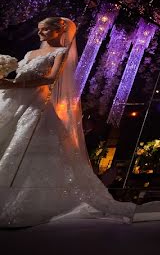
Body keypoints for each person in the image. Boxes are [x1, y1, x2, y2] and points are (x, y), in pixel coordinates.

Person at [0, 17, 136, 226]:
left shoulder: (60, 53)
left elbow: (50, 79)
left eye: (45, 30)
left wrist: (16, 83)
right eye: (39, 30)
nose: (40, 34)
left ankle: (25, 199)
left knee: (28, 145)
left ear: (58, 31)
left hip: (35, 101)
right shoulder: (29, 53)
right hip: (13, 98)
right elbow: (19, 72)